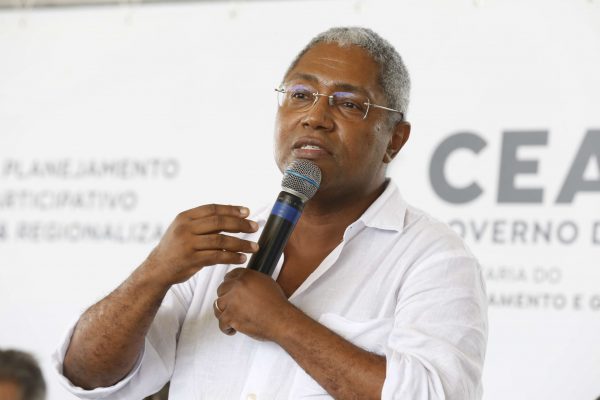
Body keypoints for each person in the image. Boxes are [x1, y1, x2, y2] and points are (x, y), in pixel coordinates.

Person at [53, 26, 487, 399]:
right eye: (300, 95)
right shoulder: (223, 242)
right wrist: (154, 273)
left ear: (395, 139)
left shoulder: (434, 258)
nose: (315, 117)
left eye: (349, 103)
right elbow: (86, 376)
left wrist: (283, 323)